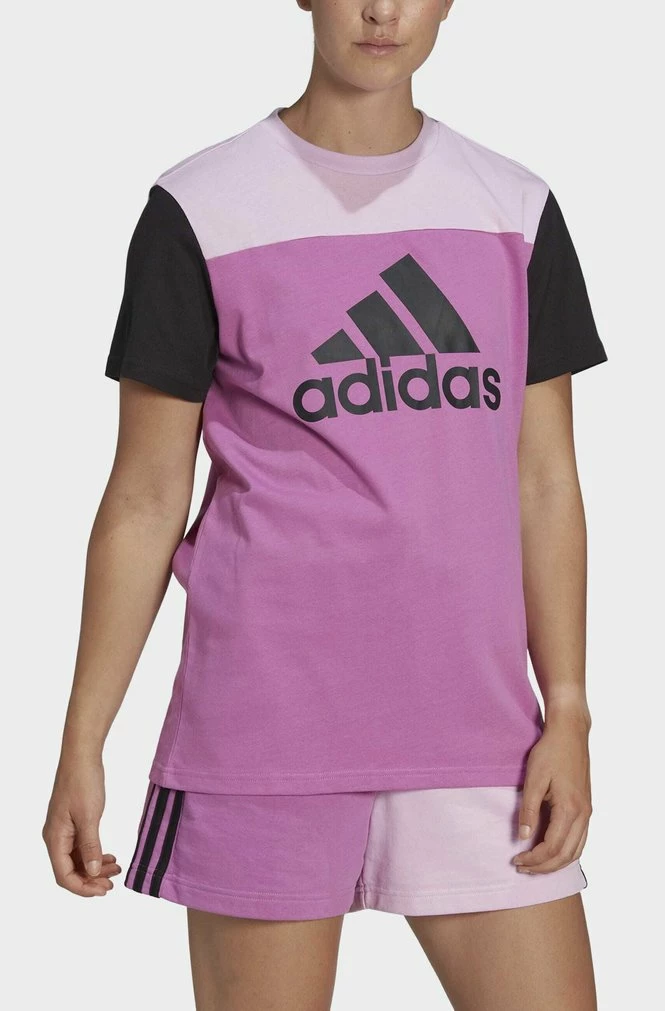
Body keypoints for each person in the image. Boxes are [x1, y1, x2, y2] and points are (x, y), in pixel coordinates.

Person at [42, 1, 609, 1008]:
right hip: (263, 733)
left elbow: (545, 481)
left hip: (479, 735)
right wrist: (83, 737)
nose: (382, 11)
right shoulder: (202, 206)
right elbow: (145, 496)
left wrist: (566, 707)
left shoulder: (513, 210)